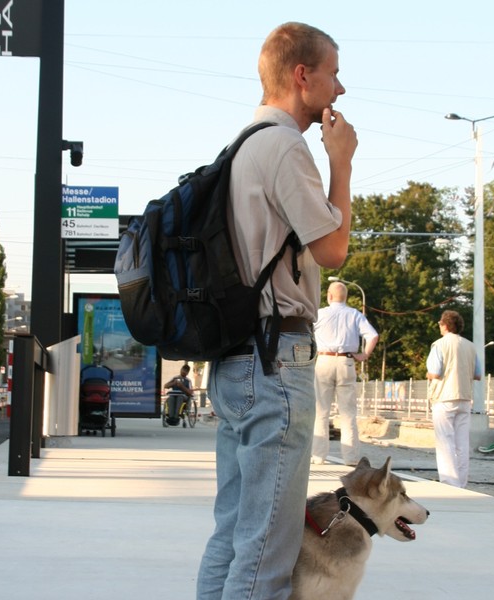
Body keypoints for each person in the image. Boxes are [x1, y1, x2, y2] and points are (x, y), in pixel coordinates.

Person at [197, 22, 357, 600]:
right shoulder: (287, 147)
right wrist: (341, 161)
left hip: (237, 360)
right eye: (333, 74)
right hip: (276, 362)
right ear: (301, 75)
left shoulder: (241, 145)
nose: (340, 89)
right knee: (268, 548)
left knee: (232, 535)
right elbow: (333, 249)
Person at [312, 281, 379, 466]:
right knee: (348, 412)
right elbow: (373, 335)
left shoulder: (320, 314)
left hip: (324, 360)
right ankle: (350, 458)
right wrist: (364, 355)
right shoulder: (354, 314)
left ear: (329, 296)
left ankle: (318, 456)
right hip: (346, 361)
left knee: (321, 411)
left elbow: (307, 333)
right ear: (346, 297)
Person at [425, 310, 482, 488]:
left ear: (445, 325)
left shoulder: (439, 345)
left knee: (444, 442)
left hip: (444, 397)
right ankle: (462, 482)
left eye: (440, 324)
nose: (439, 327)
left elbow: (434, 372)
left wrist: (427, 374)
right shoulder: (471, 347)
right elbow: (478, 375)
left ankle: (450, 482)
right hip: (464, 398)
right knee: (462, 443)